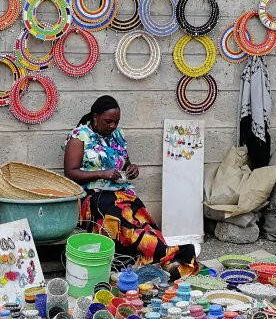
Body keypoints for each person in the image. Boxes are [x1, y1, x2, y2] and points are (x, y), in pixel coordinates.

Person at [63, 95, 199, 279]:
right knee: (121, 220)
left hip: (121, 194)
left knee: (142, 219)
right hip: (92, 197)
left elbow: (125, 162)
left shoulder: (117, 136)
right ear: (95, 117)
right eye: (108, 121)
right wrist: (101, 173)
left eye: (116, 122)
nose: (112, 126)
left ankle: (165, 258)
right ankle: (166, 255)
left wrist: (131, 168)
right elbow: (70, 173)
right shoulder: (79, 136)